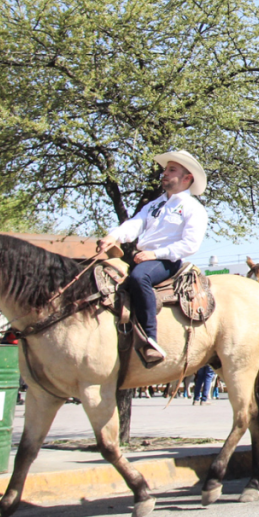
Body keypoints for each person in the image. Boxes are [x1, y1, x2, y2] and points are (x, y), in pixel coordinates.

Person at [98, 150, 209, 365]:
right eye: (165, 169)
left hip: (166, 262)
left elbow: (190, 244)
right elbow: (134, 224)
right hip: (143, 258)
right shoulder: (155, 204)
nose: (164, 173)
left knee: (140, 278)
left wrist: (154, 254)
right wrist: (113, 236)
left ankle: (150, 339)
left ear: (187, 178)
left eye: (171, 170)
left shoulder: (193, 208)